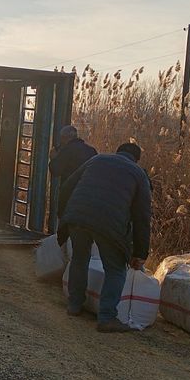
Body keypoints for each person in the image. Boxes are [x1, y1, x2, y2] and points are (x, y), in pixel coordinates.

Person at [57, 142, 151, 333]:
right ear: (137, 158)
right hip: (109, 224)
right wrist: (140, 253)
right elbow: (142, 216)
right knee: (116, 269)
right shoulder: (138, 173)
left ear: (117, 151)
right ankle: (107, 317)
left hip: (78, 217)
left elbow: (67, 186)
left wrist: (65, 215)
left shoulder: (97, 159)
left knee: (79, 258)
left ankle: (74, 304)